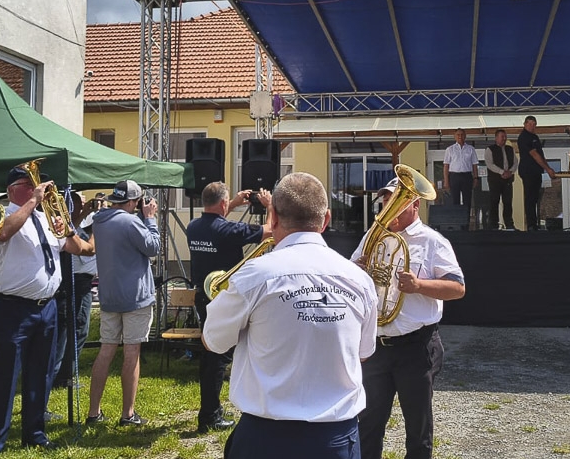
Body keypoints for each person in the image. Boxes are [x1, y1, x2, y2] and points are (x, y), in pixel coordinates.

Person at [203, 172, 378, 459]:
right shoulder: (360, 280)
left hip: (265, 438)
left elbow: (213, 342)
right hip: (335, 438)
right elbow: (364, 352)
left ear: (272, 217)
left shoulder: (253, 276)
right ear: (326, 220)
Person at [0, 166, 93, 459]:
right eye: (31, 184)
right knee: (5, 376)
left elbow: (76, 247)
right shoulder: (1, 214)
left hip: (47, 307)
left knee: (40, 375)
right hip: (12, 308)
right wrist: (32, 203)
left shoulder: (45, 218)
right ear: (14, 189)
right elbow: (1, 234)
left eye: (37, 184)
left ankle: (35, 434)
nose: (38, 188)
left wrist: (71, 226)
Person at [353, 176, 466, 459]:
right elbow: (351, 277)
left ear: (414, 204)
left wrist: (419, 286)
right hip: (377, 345)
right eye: (385, 200)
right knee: (368, 424)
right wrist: (357, 269)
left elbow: (457, 288)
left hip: (416, 347)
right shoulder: (372, 236)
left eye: (395, 200)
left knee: (418, 427)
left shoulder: (432, 241)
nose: (386, 206)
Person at [186, 182, 272, 433]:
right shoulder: (230, 230)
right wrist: (268, 206)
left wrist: (232, 204)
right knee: (219, 357)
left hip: (203, 297)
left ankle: (210, 412)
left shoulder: (193, 227)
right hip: (227, 299)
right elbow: (269, 231)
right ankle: (211, 415)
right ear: (223, 204)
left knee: (210, 352)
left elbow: (215, 220)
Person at [86, 180, 160, 427]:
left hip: (109, 295)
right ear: (133, 202)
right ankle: (128, 414)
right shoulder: (131, 222)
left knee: (106, 351)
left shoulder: (100, 220)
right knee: (131, 353)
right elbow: (153, 247)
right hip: (135, 297)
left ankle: (93, 413)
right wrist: (150, 219)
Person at [50, 192, 99, 390]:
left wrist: (87, 213)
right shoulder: (68, 229)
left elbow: (74, 227)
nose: (83, 207)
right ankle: (64, 375)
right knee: (77, 329)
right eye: (79, 205)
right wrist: (97, 227)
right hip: (77, 282)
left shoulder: (73, 224)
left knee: (72, 329)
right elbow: (89, 248)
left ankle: (63, 374)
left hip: (80, 281)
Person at [516, 116, 557, 231]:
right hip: (528, 170)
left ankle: (535, 222)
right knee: (530, 198)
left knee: (535, 197)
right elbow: (534, 154)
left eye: (534, 124)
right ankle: (531, 224)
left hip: (536, 171)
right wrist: (548, 169)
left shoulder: (535, 137)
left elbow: (540, 155)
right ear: (524, 124)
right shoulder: (524, 137)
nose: (532, 126)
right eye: (529, 124)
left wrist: (546, 167)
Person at [483, 130, 516, 230]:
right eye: (502, 137)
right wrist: (501, 172)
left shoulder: (510, 149)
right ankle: (493, 224)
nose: (504, 139)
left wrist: (510, 172)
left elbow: (515, 162)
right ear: (496, 138)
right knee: (494, 201)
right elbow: (489, 164)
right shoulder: (490, 149)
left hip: (508, 180)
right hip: (495, 180)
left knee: (508, 201)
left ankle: (509, 224)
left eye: (505, 136)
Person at [441, 129, 478, 217]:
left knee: (467, 200)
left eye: (462, 134)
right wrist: (446, 180)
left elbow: (474, 165)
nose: (460, 136)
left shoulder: (471, 149)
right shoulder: (450, 149)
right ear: (455, 136)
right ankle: (456, 222)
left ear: (465, 136)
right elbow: (446, 166)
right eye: (458, 135)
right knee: (454, 200)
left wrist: (476, 178)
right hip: (454, 176)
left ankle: (466, 223)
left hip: (467, 176)